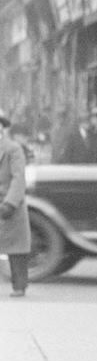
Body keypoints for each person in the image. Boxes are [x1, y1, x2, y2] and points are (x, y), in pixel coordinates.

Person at [0, 113, 32, 298]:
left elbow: (19, 178)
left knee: (16, 249)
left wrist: (10, 204)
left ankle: (19, 286)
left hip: (10, 204)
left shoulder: (13, 149)